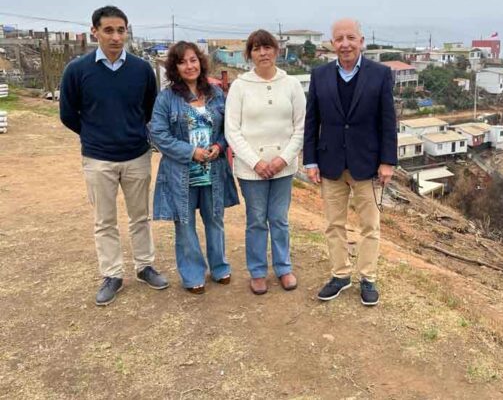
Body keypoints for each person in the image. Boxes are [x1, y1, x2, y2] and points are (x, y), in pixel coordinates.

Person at [60, 5, 169, 306]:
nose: (116, 36)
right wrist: (94, 134)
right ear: (94, 31)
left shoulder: (141, 69)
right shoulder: (77, 70)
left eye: (121, 30)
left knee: (140, 217)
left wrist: (133, 133)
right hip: (98, 158)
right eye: (108, 30)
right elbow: (68, 114)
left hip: (136, 155)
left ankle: (145, 266)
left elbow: (149, 109)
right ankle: (112, 274)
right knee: (104, 220)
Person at [303, 18, 397, 306]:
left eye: (350, 38)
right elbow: (312, 121)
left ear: (361, 40)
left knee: (370, 226)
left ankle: (367, 278)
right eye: (339, 39)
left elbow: (387, 121)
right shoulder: (319, 75)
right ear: (333, 44)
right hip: (330, 163)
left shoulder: (380, 74)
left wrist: (387, 162)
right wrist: (310, 160)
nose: (345, 44)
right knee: (334, 224)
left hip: (367, 164)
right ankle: (340, 275)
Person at [150, 41, 239, 294]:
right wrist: (191, 152)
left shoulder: (216, 94)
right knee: (185, 223)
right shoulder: (167, 98)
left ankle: (220, 267)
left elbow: (228, 130)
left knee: (215, 220)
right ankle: (192, 274)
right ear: (174, 68)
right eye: (182, 62)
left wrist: (219, 148)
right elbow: (158, 134)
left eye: (193, 60)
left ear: (200, 62)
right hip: (181, 173)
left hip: (214, 170)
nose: (189, 66)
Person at [225, 29, 306, 295]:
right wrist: (256, 162)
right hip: (251, 170)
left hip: (284, 167)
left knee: (279, 219)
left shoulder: (291, 84)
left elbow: (300, 127)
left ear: (276, 50)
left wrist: (283, 159)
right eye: (257, 48)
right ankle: (258, 271)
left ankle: (283, 267)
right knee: (257, 219)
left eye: (268, 47)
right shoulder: (240, 86)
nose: (263, 53)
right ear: (250, 54)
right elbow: (232, 131)